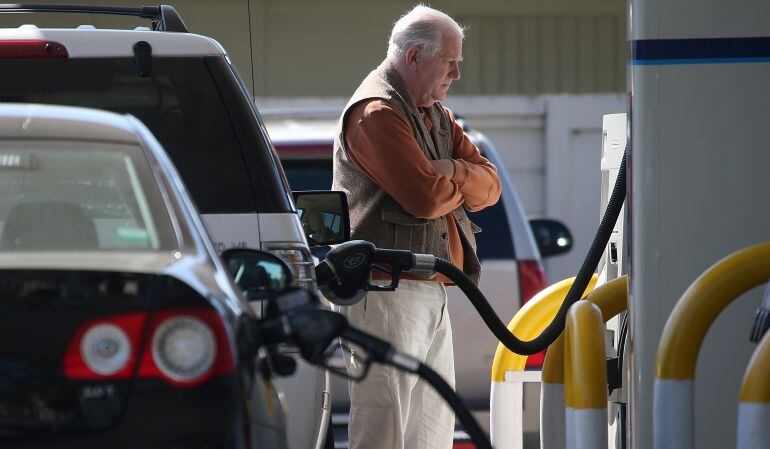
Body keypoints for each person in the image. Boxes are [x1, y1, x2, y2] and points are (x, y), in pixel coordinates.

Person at [331, 5, 502, 449]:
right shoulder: (376, 112)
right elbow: (424, 200)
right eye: (449, 61)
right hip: (385, 292)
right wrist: (460, 177)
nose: (457, 74)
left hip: (425, 288)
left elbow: (492, 188)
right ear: (413, 57)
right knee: (384, 426)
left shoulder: (436, 114)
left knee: (431, 430)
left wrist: (450, 170)